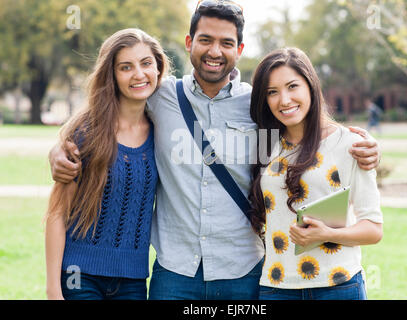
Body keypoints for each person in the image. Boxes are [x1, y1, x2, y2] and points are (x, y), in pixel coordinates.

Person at [48, 1, 380, 300]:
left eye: (226, 43)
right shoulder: (158, 95)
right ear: (190, 42)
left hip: (243, 272)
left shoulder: (260, 105)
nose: (215, 51)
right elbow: (109, 109)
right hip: (175, 273)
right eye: (206, 40)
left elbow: (304, 129)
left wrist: (362, 144)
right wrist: (59, 148)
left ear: (240, 49)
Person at [248, 48, 383, 300]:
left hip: (339, 285)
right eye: (272, 92)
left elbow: (373, 229)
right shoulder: (264, 144)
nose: (284, 100)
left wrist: (328, 234)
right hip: (277, 287)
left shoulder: (350, 144)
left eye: (292, 86)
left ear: (310, 86)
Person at [45, 28, 169, 300]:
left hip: (133, 280)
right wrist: (53, 289)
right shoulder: (86, 133)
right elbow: (57, 214)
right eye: (126, 67)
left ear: (158, 68)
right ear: (111, 75)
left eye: (146, 63)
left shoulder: (165, 129)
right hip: (80, 275)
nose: (139, 74)